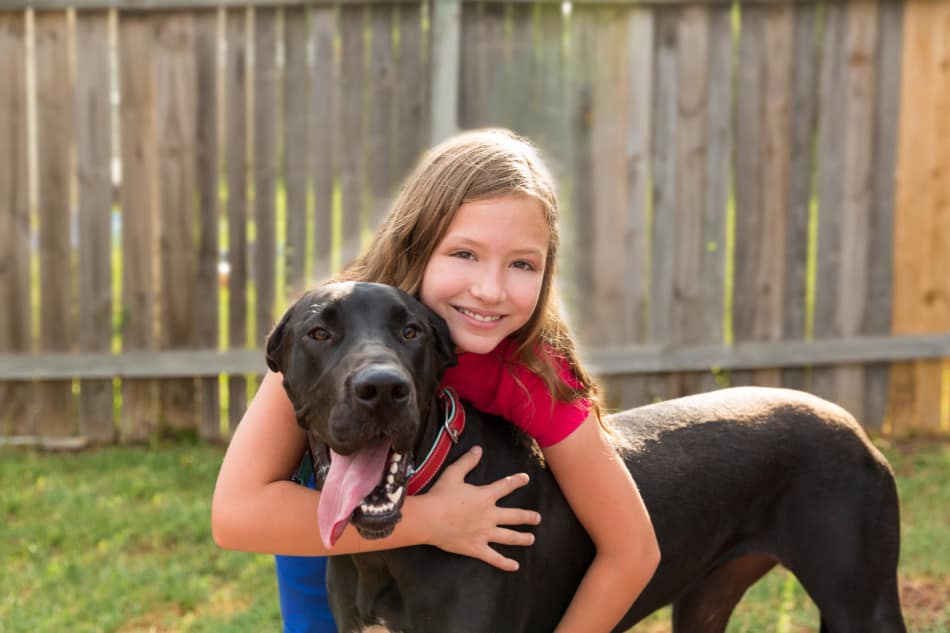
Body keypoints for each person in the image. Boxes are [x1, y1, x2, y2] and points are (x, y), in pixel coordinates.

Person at [212, 128, 660, 632]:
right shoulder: (329, 329)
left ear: (547, 273)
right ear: (416, 245)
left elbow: (633, 548)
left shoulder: (532, 374)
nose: (489, 290)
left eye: (521, 264)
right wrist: (435, 520)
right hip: (313, 536)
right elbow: (236, 514)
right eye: (464, 254)